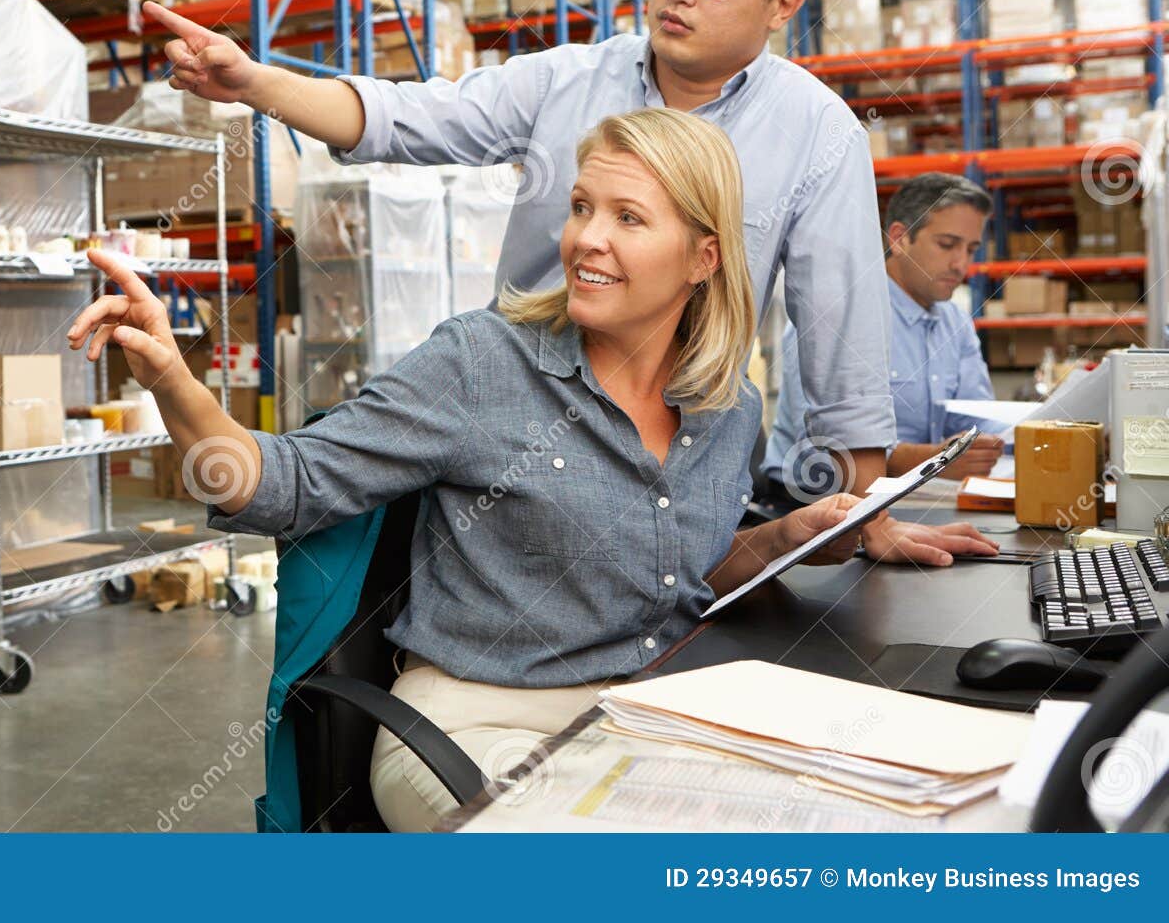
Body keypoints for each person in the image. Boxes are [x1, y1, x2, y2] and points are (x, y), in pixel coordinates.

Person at [68, 108, 972, 832]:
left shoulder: (726, 407)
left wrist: (779, 540)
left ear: (704, 257)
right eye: (581, 207)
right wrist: (174, 380)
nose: (586, 238)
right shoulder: (483, 364)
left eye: (627, 217)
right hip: (471, 727)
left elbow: (674, 571)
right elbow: (280, 484)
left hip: (642, 716)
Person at [141, 0, 993, 565]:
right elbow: (411, 117)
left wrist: (866, 510)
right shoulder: (568, 82)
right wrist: (254, 83)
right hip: (523, 416)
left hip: (682, 438)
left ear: (782, 5)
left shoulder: (816, 132)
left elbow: (842, 333)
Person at [764, 173, 1008, 500]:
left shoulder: (955, 321)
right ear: (899, 238)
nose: (960, 263)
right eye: (947, 245)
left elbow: (976, 418)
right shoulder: (838, 311)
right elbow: (820, 449)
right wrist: (927, 459)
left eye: (971, 249)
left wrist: (990, 444)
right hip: (812, 503)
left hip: (916, 493)